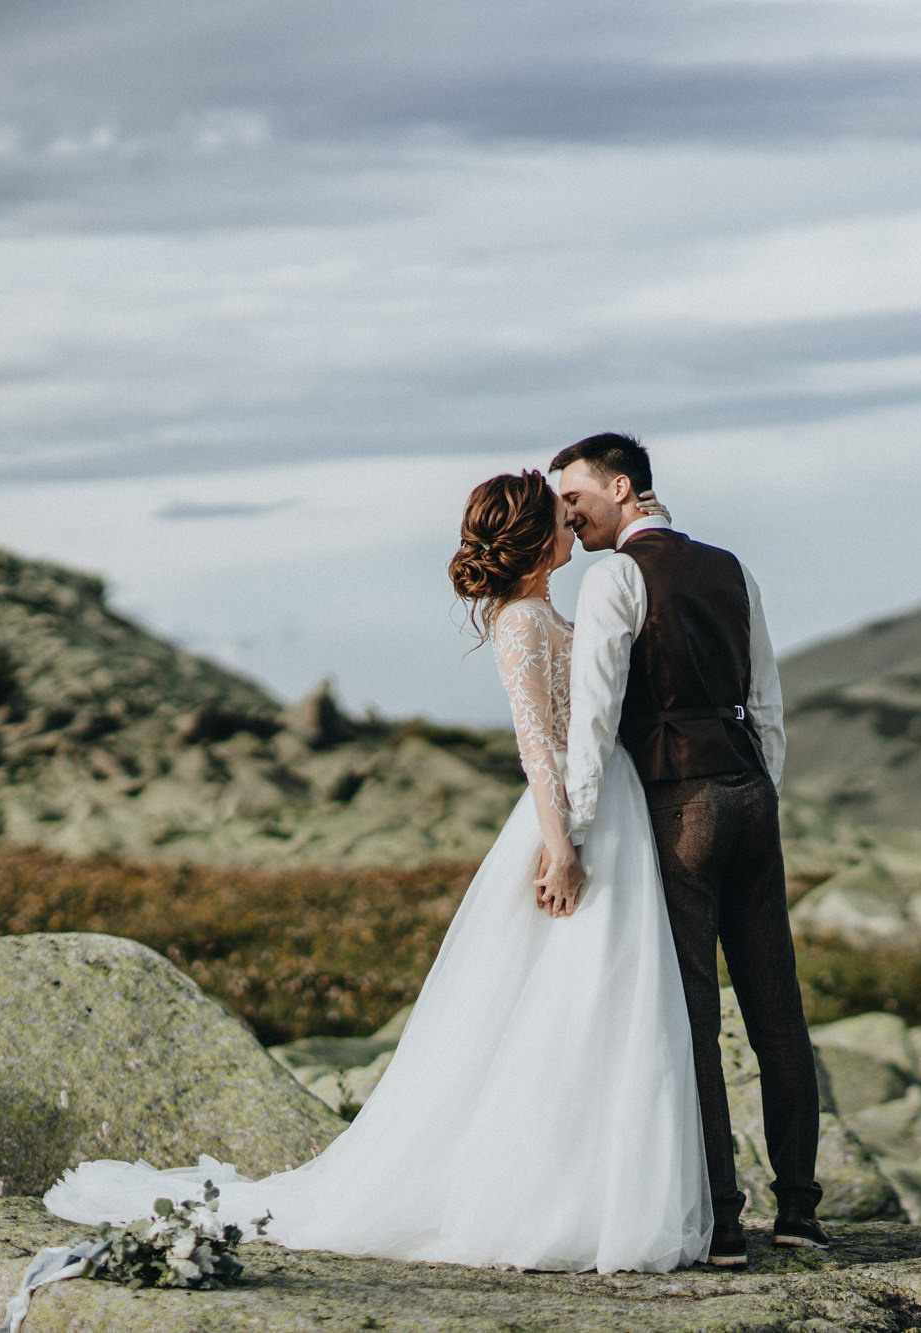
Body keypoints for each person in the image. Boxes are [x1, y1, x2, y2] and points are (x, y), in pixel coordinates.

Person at [42, 470, 713, 1274]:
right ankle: (560, 1196)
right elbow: (538, 749)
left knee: (605, 1001)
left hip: (613, 809)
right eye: (560, 516)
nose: (573, 523)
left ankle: (596, 1188)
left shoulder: (545, 610)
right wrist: (561, 845)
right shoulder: (522, 622)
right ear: (537, 538)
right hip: (573, 818)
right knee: (572, 998)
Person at [550, 432, 827, 1269]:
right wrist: (762, 787)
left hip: (677, 805)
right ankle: (803, 1212)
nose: (567, 512)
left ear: (624, 487)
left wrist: (581, 829)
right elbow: (765, 697)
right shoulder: (732, 569)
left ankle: (725, 1223)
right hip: (748, 792)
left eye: (576, 495)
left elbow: (593, 716)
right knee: (778, 1010)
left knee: (693, 1019)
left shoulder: (615, 578)